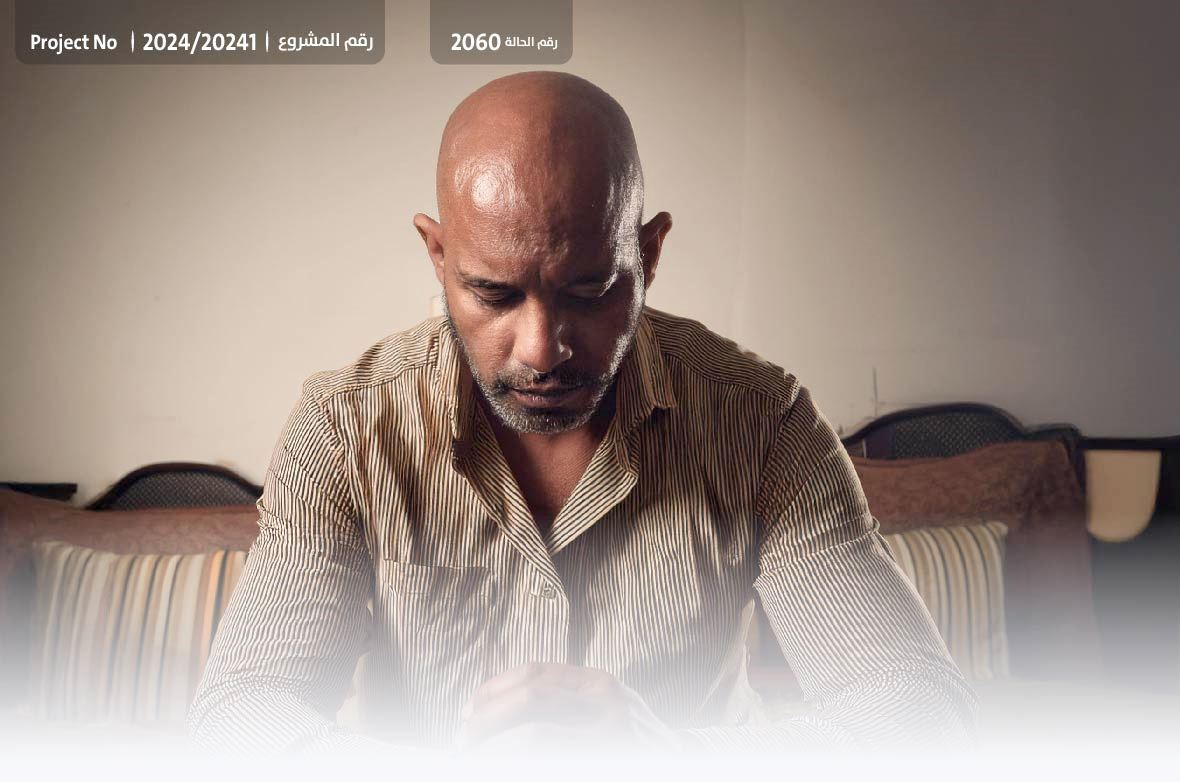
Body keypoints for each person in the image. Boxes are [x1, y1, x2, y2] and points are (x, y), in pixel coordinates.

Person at [186, 71, 977, 755]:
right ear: (438, 255)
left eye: (589, 291)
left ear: (650, 254)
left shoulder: (762, 421)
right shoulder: (346, 428)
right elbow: (238, 717)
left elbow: (919, 713)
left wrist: (668, 760)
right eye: (493, 294)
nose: (542, 350)